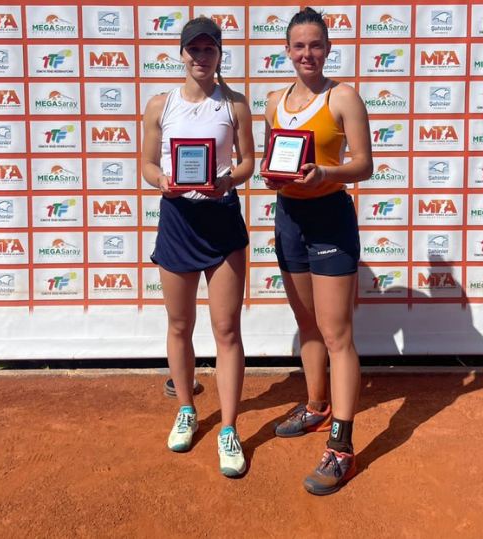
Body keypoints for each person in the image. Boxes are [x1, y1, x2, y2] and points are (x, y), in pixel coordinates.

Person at [262, 7, 373, 495]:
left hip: (330, 217)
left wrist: (327, 173)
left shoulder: (343, 96)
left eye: (316, 45)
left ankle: (341, 447)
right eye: (299, 45)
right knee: (306, 323)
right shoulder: (273, 101)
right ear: (287, 51)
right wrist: (273, 178)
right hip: (289, 217)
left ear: (328, 48)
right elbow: (274, 159)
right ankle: (315, 406)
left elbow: (365, 165)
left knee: (336, 334)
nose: (307, 53)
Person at [141, 17, 255, 477]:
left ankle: (228, 428)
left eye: (209, 49)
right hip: (178, 220)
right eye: (194, 49)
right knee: (179, 324)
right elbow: (148, 164)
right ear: (182, 54)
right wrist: (162, 182)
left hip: (221, 218)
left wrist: (227, 180)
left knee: (226, 330)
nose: (201, 57)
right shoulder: (159, 105)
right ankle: (186, 409)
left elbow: (248, 162)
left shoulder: (235, 104)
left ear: (220, 54)